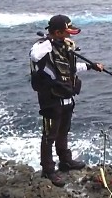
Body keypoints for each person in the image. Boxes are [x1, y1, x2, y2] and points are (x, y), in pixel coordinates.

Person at [29, 14, 104, 187]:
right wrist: (50, 41)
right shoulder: (42, 47)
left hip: (66, 97)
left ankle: (65, 161)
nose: (70, 36)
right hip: (50, 101)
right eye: (66, 32)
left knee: (63, 132)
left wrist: (91, 66)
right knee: (49, 136)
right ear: (57, 32)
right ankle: (48, 171)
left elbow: (69, 69)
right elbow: (34, 56)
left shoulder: (64, 47)